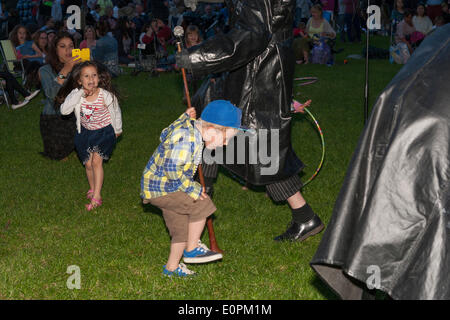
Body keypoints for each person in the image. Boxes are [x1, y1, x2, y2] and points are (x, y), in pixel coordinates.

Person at [177, 0, 324, 242]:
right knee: (236, 143)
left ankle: (197, 211)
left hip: (259, 75)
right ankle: (304, 217)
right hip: (259, 72)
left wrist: (197, 56)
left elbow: (251, 35)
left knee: (257, 150)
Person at [141, 100, 244, 277]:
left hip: (162, 186)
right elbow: (171, 169)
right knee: (202, 203)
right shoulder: (187, 138)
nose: (226, 144)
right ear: (211, 130)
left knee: (180, 230)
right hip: (164, 188)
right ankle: (192, 248)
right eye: (226, 138)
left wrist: (184, 117)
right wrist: (191, 188)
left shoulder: (189, 128)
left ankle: (171, 269)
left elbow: (164, 133)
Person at [58, 61, 122, 210]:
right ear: (80, 81)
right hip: (85, 132)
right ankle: (93, 188)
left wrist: (117, 129)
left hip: (103, 132)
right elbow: (64, 111)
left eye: (94, 75)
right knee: (87, 163)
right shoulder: (77, 94)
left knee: (96, 162)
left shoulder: (106, 96)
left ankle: (97, 196)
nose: (91, 79)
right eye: (86, 76)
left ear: (98, 79)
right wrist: (79, 93)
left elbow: (116, 112)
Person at [39, 31, 81, 160]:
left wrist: (90, 69)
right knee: (59, 154)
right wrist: (66, 70)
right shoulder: (45, 70)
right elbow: (52, 95)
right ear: (55, 50)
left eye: (71, 46)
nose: (68, 50)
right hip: (55, 117)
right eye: (62, 46)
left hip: (79, 115)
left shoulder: (80, 67)